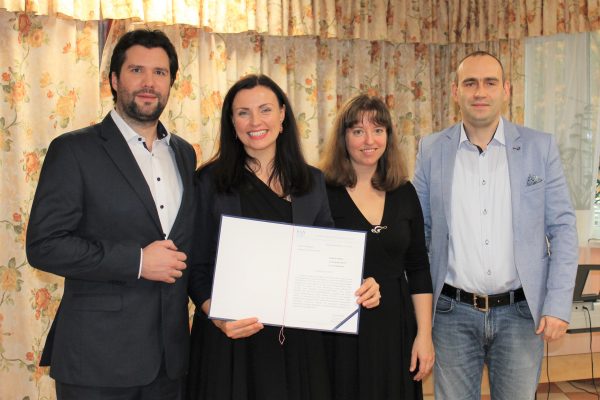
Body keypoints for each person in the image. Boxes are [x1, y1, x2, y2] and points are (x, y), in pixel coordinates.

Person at [26, 29, 196, 400]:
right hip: (96, 361)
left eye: (160, 72)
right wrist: (137, 261)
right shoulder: (74, 150)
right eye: (137, 70)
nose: (149, 82)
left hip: (169, 364)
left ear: (171, 83)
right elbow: (44, 245)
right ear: (115, 80)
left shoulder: (184, 154)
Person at [186, 74, 380, 400]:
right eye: (243, 112)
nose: (255, 122)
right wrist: (216, 315)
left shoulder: (312, 182)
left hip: (297, 345)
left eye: (265, 110)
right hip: (231, 341)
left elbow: (327, 258)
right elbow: (195, 265)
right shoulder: (209, 181)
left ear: (282, 116)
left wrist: (360, 284)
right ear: (231, 122)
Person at [413, 50, 578, 399]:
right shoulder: (431, 150)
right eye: (470, 83)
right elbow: (419, 233)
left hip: (520, 315)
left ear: (506, 90)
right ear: (455, 91)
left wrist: (557, 304)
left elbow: (563, 228)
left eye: (490, 83)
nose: (480, 92)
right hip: (451, 315)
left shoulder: (539, 147)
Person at [320, 94, 434, 399]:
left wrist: (424, 335)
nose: (369, 140)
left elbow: (418, 268)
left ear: (388, 136)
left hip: (396, 327)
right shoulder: (322, 192)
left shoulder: (404, 192)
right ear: (343, 138)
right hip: (342, 328)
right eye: (358, 131)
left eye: (378, 130)